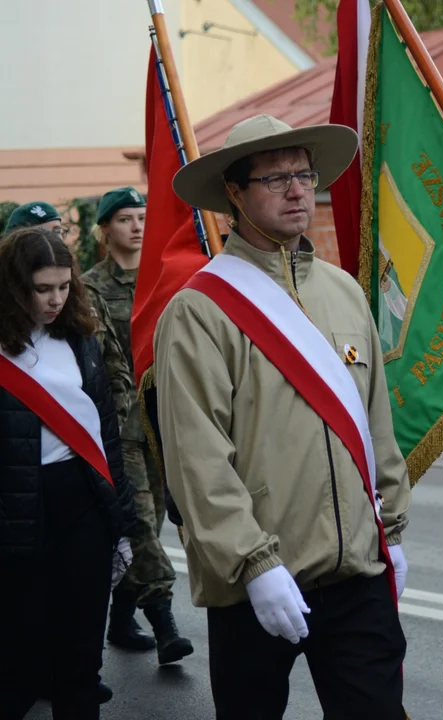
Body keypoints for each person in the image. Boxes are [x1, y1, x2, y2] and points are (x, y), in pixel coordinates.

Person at [154, 114, 411, 717]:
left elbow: (377, 428)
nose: (298, 190)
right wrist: (253, 564)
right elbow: (198, 460)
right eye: (276, 179)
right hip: (257, 583)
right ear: (235, 195)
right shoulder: (200, 310)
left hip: (356, 574)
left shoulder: (345, 291)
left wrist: (390, 529)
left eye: (304, 174)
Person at [0, 227, 138, 719]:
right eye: (42, 289)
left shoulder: (80, 336)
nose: (56, 299)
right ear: (15, 286)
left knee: (81, 664)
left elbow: (105, 434)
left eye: (64, 286)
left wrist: (123, 523)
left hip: (82, 503)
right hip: (16, 513)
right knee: (18, 668)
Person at [83, 186, 193, 665]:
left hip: (166, 419)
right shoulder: (88, 287)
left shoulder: (165, 280)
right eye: (125, 218)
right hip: (122, 426)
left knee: (158, 522)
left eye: (142, 217)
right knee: (141, 524)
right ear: (104, 230)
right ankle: (166, 624)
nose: (137, 226)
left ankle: (120, 618)